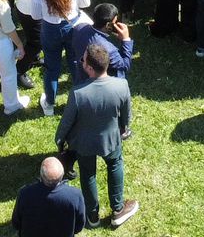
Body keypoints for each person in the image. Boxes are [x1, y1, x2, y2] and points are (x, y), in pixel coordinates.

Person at [57, 45, 138, 225]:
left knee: (88, 175)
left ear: (90, 68)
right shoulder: (121, 85)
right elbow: (126, 115)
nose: (82, 62)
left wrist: (60, 139)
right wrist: (123, 128)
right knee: (115, 166)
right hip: (111, 139)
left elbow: (67, 122)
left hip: (84, 143)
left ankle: (92, 216)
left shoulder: (78, 93)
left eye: (83, 60)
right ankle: (118, 209)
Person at [13, 156, 89, 237]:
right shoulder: (75, 195)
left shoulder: (25, 193)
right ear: (62, 175)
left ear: (41, 175)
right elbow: (79, 225)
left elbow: (16, 223)